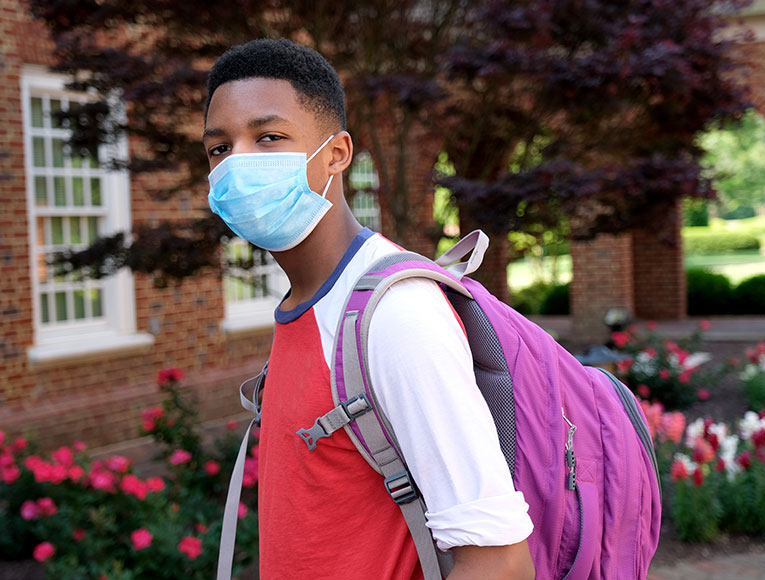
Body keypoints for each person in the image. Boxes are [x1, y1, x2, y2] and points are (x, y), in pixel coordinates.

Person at [203, 38, 534, 580]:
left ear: (336, 154)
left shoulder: (397, 315)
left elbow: (500, 562)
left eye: (268, 137)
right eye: (220, 147)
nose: (237, 163)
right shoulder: (306, 301)